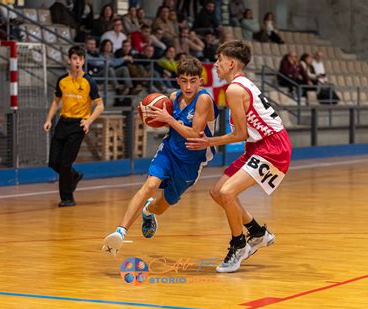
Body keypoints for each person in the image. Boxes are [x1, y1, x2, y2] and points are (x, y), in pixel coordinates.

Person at [186, 40, 292, 273]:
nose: (215, 65)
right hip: (259, 146)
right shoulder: (240, 84)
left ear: (231, 63)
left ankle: (239, 245)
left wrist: (208, 141)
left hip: (272, 147)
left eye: (219, 60)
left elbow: (240, 133)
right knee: (217, 193)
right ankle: (256, 232)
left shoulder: (235, 89)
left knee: (227, 192)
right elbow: (245, 135)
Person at [102, 58, 218, 256]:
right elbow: (166, 123)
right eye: (184, 80)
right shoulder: (173, 97)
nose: (188, 86)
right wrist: (148, 113)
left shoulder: (204, 100)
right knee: (150, 185)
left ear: (200, 81)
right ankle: (120, 232)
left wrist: (169, 119)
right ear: (178, 81)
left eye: (193, 80)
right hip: (169, 151)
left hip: (191, 161)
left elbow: (194, 134)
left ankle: (148, 212)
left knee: (162, 205)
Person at [43, 46, 104, 207]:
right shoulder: (62, 80)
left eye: (80, 59)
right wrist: (49, 120)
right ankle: (74, 176)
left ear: (83, 61)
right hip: (63, 122)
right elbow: (56, 101)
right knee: (53, 162)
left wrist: (88, 121)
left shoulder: (89, 81)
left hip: (78, 125)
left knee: (65, 163)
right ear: (69, 60)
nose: (77, 62)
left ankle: (67, 198)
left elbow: (100, 106)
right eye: (75, 58)